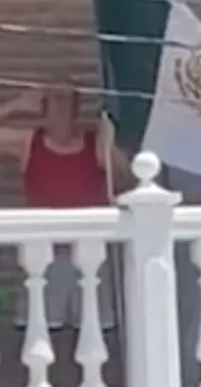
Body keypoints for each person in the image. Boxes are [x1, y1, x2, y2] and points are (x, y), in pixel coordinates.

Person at [0, 78, 130, 330]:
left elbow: (126, 178)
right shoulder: (29, 142)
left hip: (90, 254)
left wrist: (110, 145)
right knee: (43, 332)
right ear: (43, 108)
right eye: (54, 100)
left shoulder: (95, 143)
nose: (61, 109)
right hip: (45, 255)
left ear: (77, 108)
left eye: (68, 101)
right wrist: (16, 105)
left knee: (96, 330)